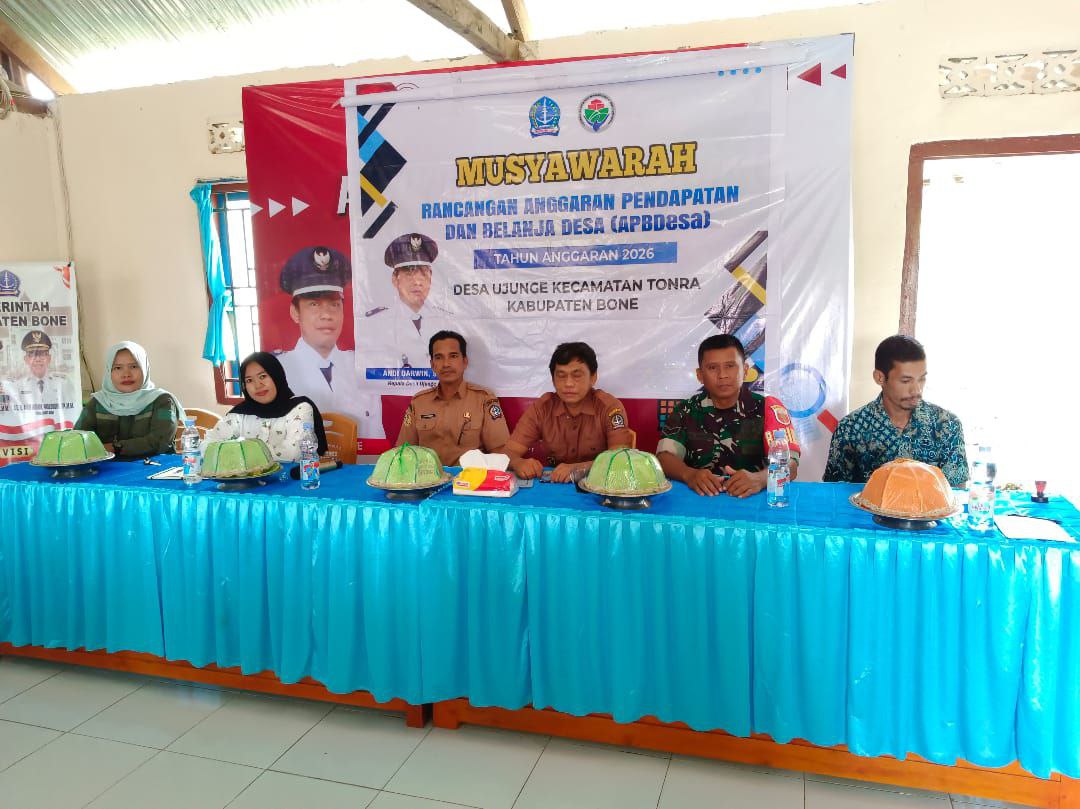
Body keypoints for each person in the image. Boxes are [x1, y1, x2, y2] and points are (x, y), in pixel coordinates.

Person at [657, 334, 800, 498]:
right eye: (712, 368)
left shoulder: (768, 408)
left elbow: (791, 465)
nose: (722, 375)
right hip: (699, 499)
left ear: (745, 370)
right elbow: (664, 458)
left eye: (730, 366)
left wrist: (760, 479)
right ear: (700, 375)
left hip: (753, 500)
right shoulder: (685, 410)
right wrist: (689, 475)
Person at [824, 334, 967, 486]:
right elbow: (834, 492)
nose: (916, 390)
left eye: (921, 379)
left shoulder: (947, 425)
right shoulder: (850, 428)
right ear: (880, 378)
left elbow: (956, 492)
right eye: (905, 381)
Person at [275, 245, 384, 438]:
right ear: (295, 312)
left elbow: (376, 439)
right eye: (314, 304)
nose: (326, 315)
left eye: (334, 304)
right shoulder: (277, 372)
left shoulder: (362, 366)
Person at [504, 342, 631, 482]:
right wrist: (517, 462)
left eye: (577, 375)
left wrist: (580, 469)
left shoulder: (609, 407)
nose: (568, 383)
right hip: (555, 486)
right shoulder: (542, 408)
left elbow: (620, 460)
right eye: (561, 375)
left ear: (593, 378)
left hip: (598, 486)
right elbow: (508, 453)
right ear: (553, 380)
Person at [395, 330, 509, 466]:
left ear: (465, 362)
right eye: (439, 357)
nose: (446, 364)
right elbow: (404, 451)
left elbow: (500, 452)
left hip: (469, 477)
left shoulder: (484, 399)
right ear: (432, 365)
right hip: (428, 477)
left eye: (453, 356)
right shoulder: (419, 402)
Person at [204, 352, 328, 463]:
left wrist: (237, 453)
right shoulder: (240, 414)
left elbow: (294, 453)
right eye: (249, 380)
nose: (258, 385)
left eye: (263, 376)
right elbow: (208, 446)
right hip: (247, 481)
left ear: (276, 376)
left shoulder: (300, 408)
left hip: (292, 479)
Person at [75, 341, 183, 458]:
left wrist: (114, 447)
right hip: (105, 467)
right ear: (109, 371)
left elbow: (160, 442)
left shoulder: (162, 401)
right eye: (118, 368)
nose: (126, 374)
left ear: (145, 369)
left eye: (134, 366)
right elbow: (78, 440)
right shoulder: (98, 403)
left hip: (154, 466)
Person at [364, 233, 450, 369]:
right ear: (395, 279)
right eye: (409, 274)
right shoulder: (375, 323)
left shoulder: (448, 320)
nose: (417, 282)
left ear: (430, 278)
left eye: (423, 274)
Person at [4, 330, 80, 418]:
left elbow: (72, 412)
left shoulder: (63, 384)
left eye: (42, 354)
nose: (37, 359)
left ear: (49, 358)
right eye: (32, 355)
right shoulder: (17, 387)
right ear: (26, 359)